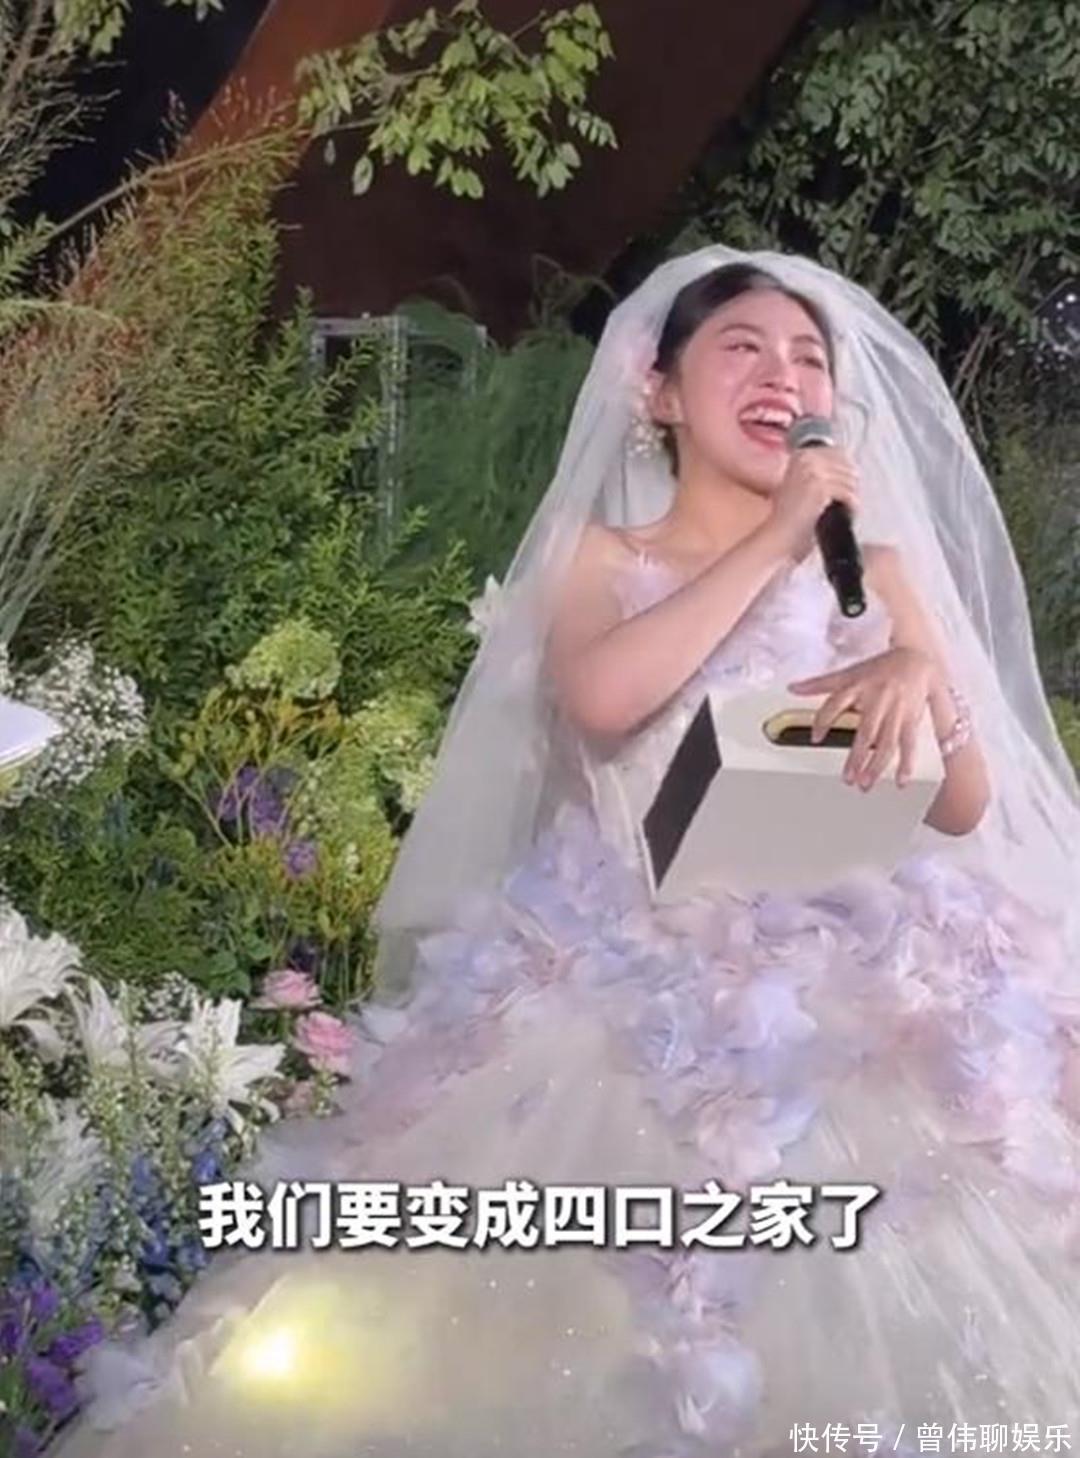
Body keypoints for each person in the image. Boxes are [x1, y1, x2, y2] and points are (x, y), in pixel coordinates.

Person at [53, 246, 1080, 1458]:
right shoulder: (605, 557)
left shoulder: (880, 574)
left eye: (809, 359)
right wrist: (776, 537)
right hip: (633, 977)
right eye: (743, 349)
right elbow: (604, 699)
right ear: (658, 391)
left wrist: (916, 671)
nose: (784, 377)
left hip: (853, 977)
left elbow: (962, 804)